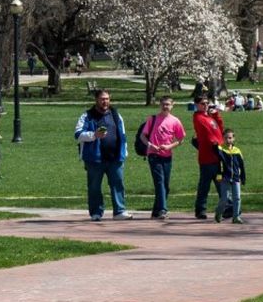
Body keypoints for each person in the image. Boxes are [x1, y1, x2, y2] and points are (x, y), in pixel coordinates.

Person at [73, 88, 128, 220]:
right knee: (94, 187)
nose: (105, 101)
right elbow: (78, 134)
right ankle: (96, 213)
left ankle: (119, 211)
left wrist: (124, 151)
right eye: (102, 99)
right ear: (96, 100)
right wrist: (94, 135)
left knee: (118, 184)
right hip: (95, 159)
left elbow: (123, 134)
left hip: (115, 157)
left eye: (107, 99)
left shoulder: (115, 114)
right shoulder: (87, 116)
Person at [136, 95, 187, 219]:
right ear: (160, 105)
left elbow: (181, 139)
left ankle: (156, 211)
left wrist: (170, 146)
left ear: (172, 106)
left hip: (167, 155)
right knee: (159, 182)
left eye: (168, 104)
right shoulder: (152, 119)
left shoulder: (175, 121)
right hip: (154, 155)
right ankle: (163, 210)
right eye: (163, 104)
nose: (165, 107)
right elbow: (143, 136)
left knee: (165, 185)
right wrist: (150, 145)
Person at [192, 96, 225, 219]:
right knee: (204, 186)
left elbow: (220, 130)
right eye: (202, 103)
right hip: (207, 158)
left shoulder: (209, 117)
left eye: (207, 103)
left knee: (221, 183)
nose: (205, 105)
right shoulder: (198, 117)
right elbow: (206, 133)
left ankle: (226, 207)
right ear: (197, 105)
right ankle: (200, 210)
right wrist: (215, 144)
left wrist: (216, 115)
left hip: (218, 157)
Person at [215, 128, 247, 223]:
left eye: (230, 138)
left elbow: (242, 165)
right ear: (223, 138)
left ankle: (236, 217)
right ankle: (218, 213)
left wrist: (243, 177)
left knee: (237, 198)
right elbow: (218, 163)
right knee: (224, 198)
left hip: (236, 178)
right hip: (225, 178)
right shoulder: (220, 149)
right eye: (226, 138)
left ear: (233, 139)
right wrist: (219, 175)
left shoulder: (237, 151)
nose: (228, 140)